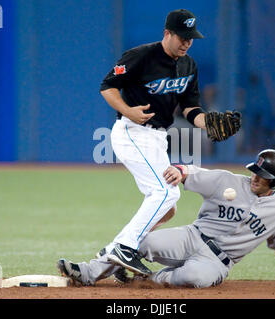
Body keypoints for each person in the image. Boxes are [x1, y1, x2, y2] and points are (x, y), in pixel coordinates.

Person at [88, 9, 240, 277]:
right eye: (182, 37)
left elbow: (190, 108)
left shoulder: (189, 65)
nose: (186, 43)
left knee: (168, 209)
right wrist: (127, 110)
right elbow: (107, 86)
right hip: (132, 131)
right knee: (165, 192)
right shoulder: (141, 56)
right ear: (167, 33)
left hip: (157, 138)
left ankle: (108, 260)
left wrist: (208, 123)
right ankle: (125, 247)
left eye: (191, 38)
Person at [57, 149, 275, 289]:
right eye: (254, 170)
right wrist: (178, 170)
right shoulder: (227, 180)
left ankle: (146, 281)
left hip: (217, 262)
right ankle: (88, 272)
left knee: (193, 278)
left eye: (261, 174)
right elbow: (191, 172)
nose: (254, 176)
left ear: (274, 181)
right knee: (142, 243)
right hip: (191, 236)